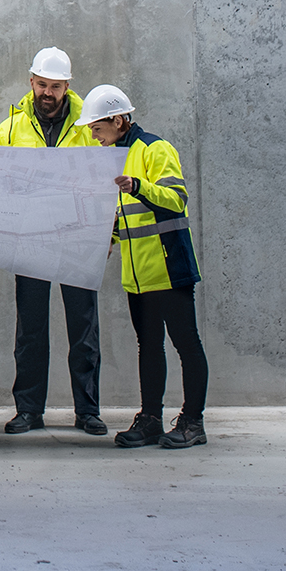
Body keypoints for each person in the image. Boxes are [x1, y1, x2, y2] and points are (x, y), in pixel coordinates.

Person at [76, 84, 209, 448]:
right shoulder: (114, 156)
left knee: (186, 343)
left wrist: (137, 185)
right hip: (138, 274)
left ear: (118, 120)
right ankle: (151, 418)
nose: (94, 136)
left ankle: (193, 422)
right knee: (148, 345)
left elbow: (176, 200)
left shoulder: (154, 148)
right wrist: (109, 239)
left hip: (169, 266)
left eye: (97, 128)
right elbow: (126, 217)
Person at [0, 47, 107, 436]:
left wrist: (106, 231)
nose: (48, 92)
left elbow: (106, 179)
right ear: (31, 82)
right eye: (42, 84)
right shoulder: (9, 127)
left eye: (55, 86)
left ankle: (88, 411)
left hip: (78, 238)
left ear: (67, 86)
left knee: (83, 328)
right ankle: (28, 410)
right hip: (30, 238)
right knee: (30, 329)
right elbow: (0, 185)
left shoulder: (90, 123)